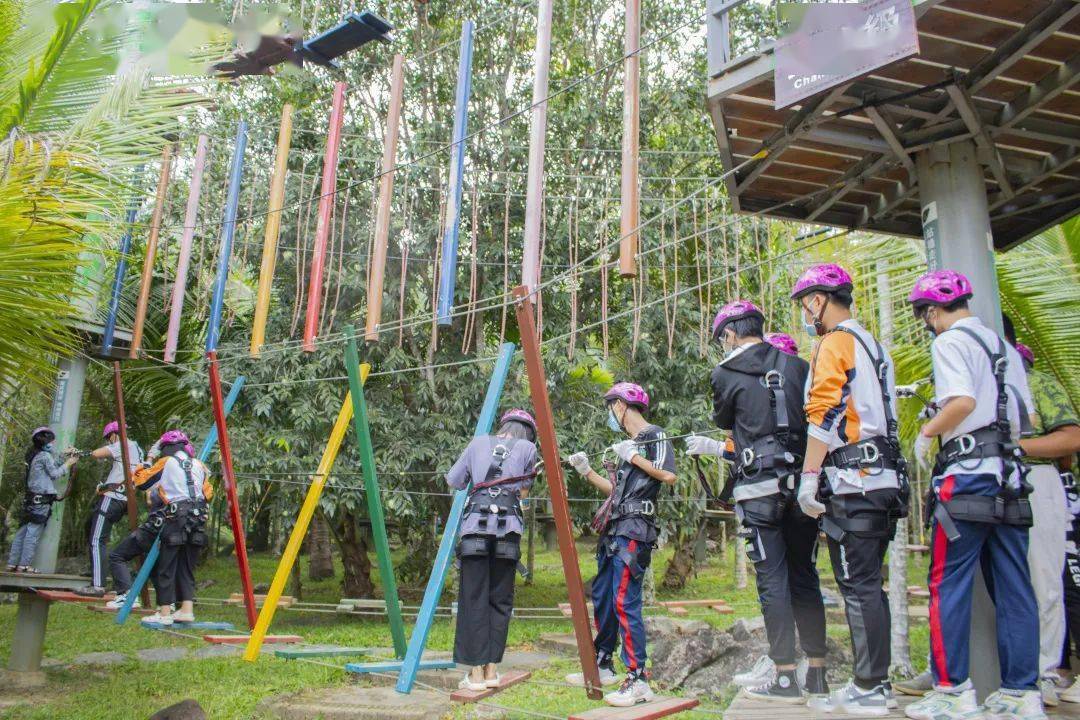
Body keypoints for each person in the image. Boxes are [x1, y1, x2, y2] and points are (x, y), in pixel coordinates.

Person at [902, 270, 1044, 720]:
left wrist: (928, 432)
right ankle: (1022, 692)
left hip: (967, 477)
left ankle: (951, 690)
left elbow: (961, 401)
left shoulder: (949, 342)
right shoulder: (1005, 349)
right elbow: (1025, 419)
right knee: (1015, 586)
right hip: (1011, 477)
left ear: (931, 312)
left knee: (948, 583)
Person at [687, 301, 827, 703]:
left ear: (730, 334)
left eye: (723, 338)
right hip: (801, 485)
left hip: (759, 488)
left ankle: (784, 676)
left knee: (772, 580)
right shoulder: (798, 366)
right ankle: (817, 672)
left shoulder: (724, 372)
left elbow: (725, 421)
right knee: (805, 575)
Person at [791, 263, 906, 716]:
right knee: (870, 586)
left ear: (818, 300)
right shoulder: (873, 345)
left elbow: (825, 411)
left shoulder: (834, 342)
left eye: (806, 306)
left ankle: (869, 687)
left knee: (857, 586)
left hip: (854, 481)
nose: (806, 315)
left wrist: (809, 477)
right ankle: (876, 682)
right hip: (883, 480)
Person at [565, 383, 676, 707]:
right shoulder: (629, 447)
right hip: (615, 527)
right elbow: (615, 492)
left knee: (626, 601)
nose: (610, 413)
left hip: (635, 530)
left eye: (610, 406)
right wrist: (586, 471)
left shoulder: (654, 435)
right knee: (603, 595)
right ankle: (603, 662)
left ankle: (638, 678)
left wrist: (634, 456)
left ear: (621, 406)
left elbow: (668, 475)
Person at [447, 409, 539, 691]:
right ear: (528, 433)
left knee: (473, 598)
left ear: (504, 425)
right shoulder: (528, 449)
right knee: (500, 599)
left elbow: (454, 480)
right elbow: (523, 493)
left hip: (475, 528)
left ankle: (475, 674)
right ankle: (491, 671)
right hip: (507, 531)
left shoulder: (477, 443)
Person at [1009, 339, 1080, 704]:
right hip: (985, 482)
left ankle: (1045, 673)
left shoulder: (1036, 383)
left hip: (1036, 479)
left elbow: (1070, 439)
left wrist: (1017, 448)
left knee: (1044, 579)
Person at [130, 430, 212, 625]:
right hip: (198, 518)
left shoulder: (166, 462)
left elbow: (141, 482)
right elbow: (208, 493)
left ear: (166, 448)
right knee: (187, 567)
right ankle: (186, 610)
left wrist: (147, 462)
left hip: (176, 517)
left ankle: (165, 613)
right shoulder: (199, 465)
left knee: (167, 566)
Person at [74, 421, 144, 597]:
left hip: (113, 498)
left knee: (96, 539)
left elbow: (97, 453)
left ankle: (97, 585)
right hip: (123, 499)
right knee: (91, 527)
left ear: (114, 434)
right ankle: (97, 569)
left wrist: (79, 452)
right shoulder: (137, 449)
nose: (108, 441)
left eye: (108, 438)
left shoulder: (123, 444)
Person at [7, 427, 77, 573]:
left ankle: (12, 563)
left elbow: (50, 466)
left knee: (22, 532)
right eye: (51, 441)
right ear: (46, 441)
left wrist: (63, 456)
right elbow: (54, 473)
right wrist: (68, 463)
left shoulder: (34, 454)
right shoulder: (45, 455)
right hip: (41, 501)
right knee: (32, 534)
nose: (53, 443)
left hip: (30, 500)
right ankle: (24, 565)